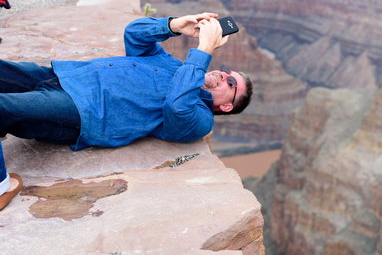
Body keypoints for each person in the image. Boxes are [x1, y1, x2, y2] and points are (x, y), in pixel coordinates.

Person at [0, 13, 253, 210]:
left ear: (227, 106)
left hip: (81, 110)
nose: (224, 75)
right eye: (227, 71)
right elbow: (134, 34)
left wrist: (204, 51)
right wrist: (174, 25)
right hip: (64, 76)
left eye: (231, 83)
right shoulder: (172, 65)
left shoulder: (200, 118)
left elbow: (177, 105)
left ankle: (2, 187)